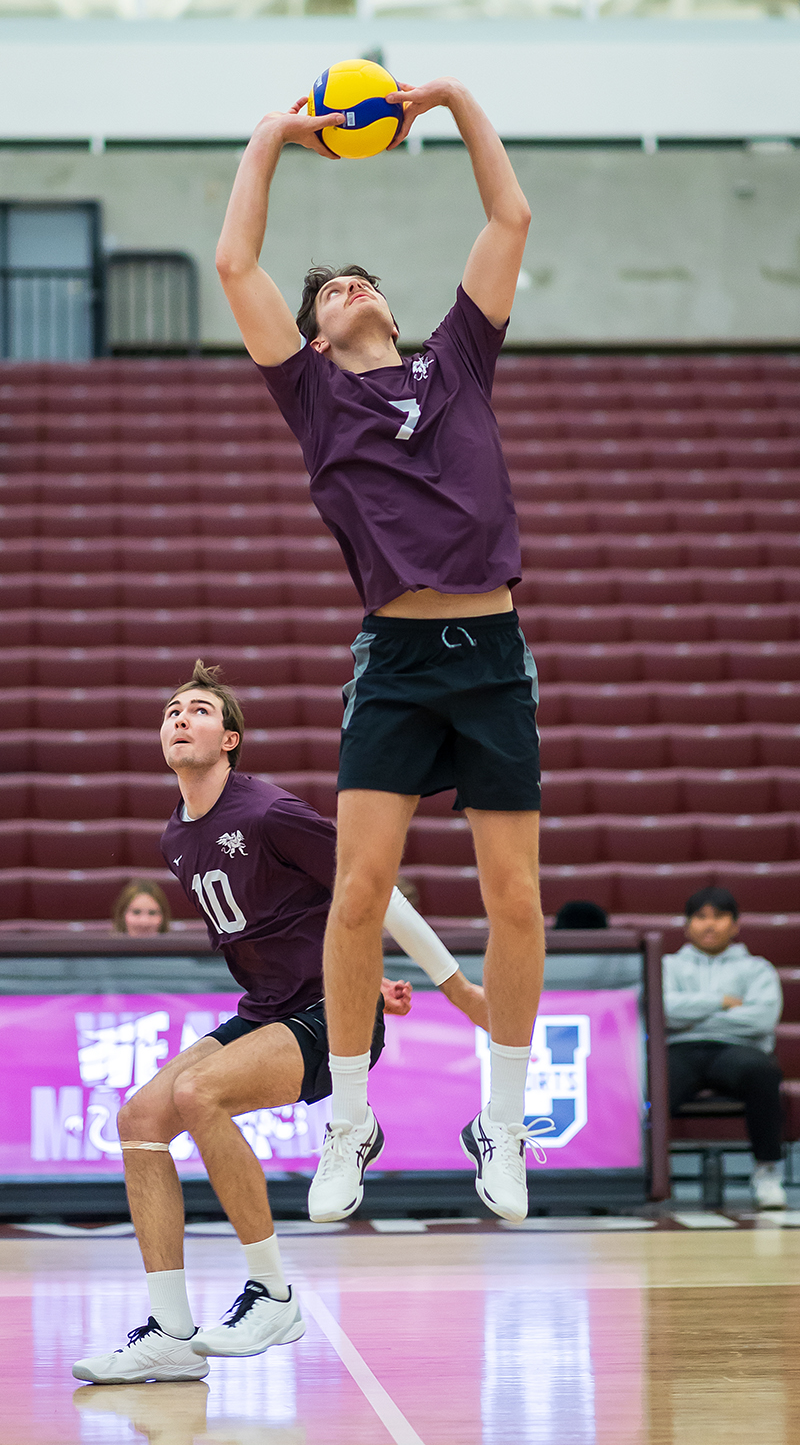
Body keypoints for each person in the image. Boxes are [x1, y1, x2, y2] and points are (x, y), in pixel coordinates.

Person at [216, 76, 543, 1226]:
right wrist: (273, 135)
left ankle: (500, 1123)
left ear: (391, 313)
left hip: (491, 652)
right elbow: (234, 264)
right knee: (356, 894)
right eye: (328, 290)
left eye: (362, 280)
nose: (347, 286)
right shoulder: (310, 394)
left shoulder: (458, 358)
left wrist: (451, 100)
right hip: (396, 663)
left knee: (515, 899)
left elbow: (508, 217)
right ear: (313, 333)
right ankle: (347, 1117)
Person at [73, 661, 486, 1385]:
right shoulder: (176, 836)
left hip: (333, 1012)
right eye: (171, 710)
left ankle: (273, 1294)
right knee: (139, 1119)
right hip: (269, 1008)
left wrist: (452, 985)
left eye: (198, 710)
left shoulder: (269, 811)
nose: (179, 718)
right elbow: (294, 921)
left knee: (200, 1093)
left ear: (229, 739)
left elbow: (373, 890)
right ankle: (170, 1334)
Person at [663, 885, 786, 1211]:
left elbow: (761, 1019)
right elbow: (662, 1011)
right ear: (687, 925)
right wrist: (721, 1002)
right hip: (682, 1049)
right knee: (653, 1080)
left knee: (763, 1073)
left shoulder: (757, 968)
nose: (710, 924)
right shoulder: (667, 966)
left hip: (737, 1050)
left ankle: (767, 1171)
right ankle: (652, 1175)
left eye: (719, 916)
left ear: (735, 925)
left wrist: (693, 1018)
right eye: (701, 916)